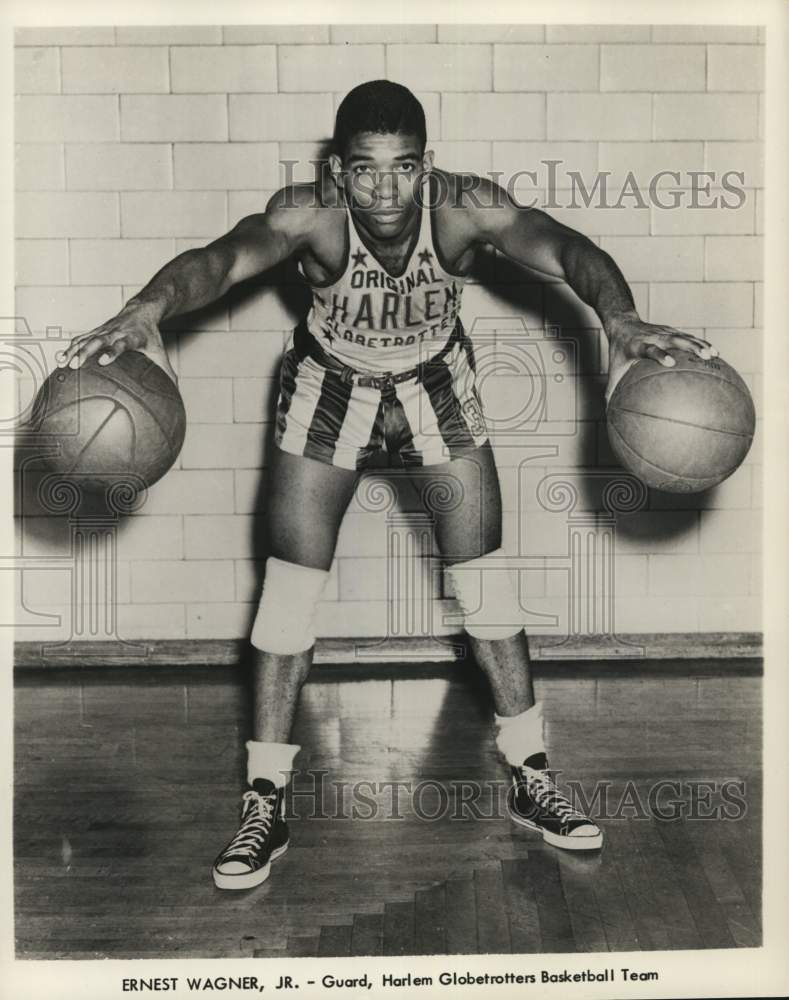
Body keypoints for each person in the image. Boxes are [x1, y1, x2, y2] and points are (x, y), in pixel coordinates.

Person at [58, 80, 719, 891]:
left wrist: (617, 317)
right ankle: (264, 800)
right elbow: (221, 259)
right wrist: (147, 307)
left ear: (426, 166)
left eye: (402, 169)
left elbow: (565, 245)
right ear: (337, 171)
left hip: (437, 385)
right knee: (289, 594)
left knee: (488, 589)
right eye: (364, 171)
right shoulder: (311, 215)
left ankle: (531, 775)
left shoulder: (463, 209)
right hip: (329, 387)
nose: (384, 190)